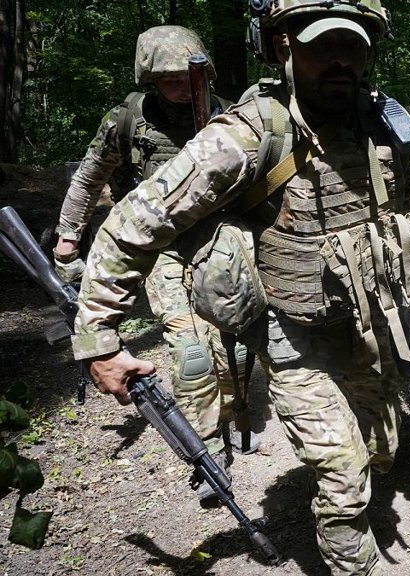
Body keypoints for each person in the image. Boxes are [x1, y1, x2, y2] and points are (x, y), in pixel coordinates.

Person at [70, 1, 410, 573]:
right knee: (344, 476)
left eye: (354, 45)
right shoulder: (251, 133)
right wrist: (99, 336)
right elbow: (134, 222)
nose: (340, 60)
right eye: (322, 47)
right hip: (292, 336)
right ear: (283, 47)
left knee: (381, 450)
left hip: (364, 328)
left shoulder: (387, 125)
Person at [50, 25, 253, 506]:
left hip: (218, 241)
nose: (184, 88)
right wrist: (67, 237)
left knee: (236, 346)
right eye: (171, 80)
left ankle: (238, 415)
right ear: (150, 80)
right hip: (157, 245)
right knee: (189, 350)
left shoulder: (226, 115)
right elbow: (88, 177)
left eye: (191, 78)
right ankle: (208, 449)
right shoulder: (128, 121)